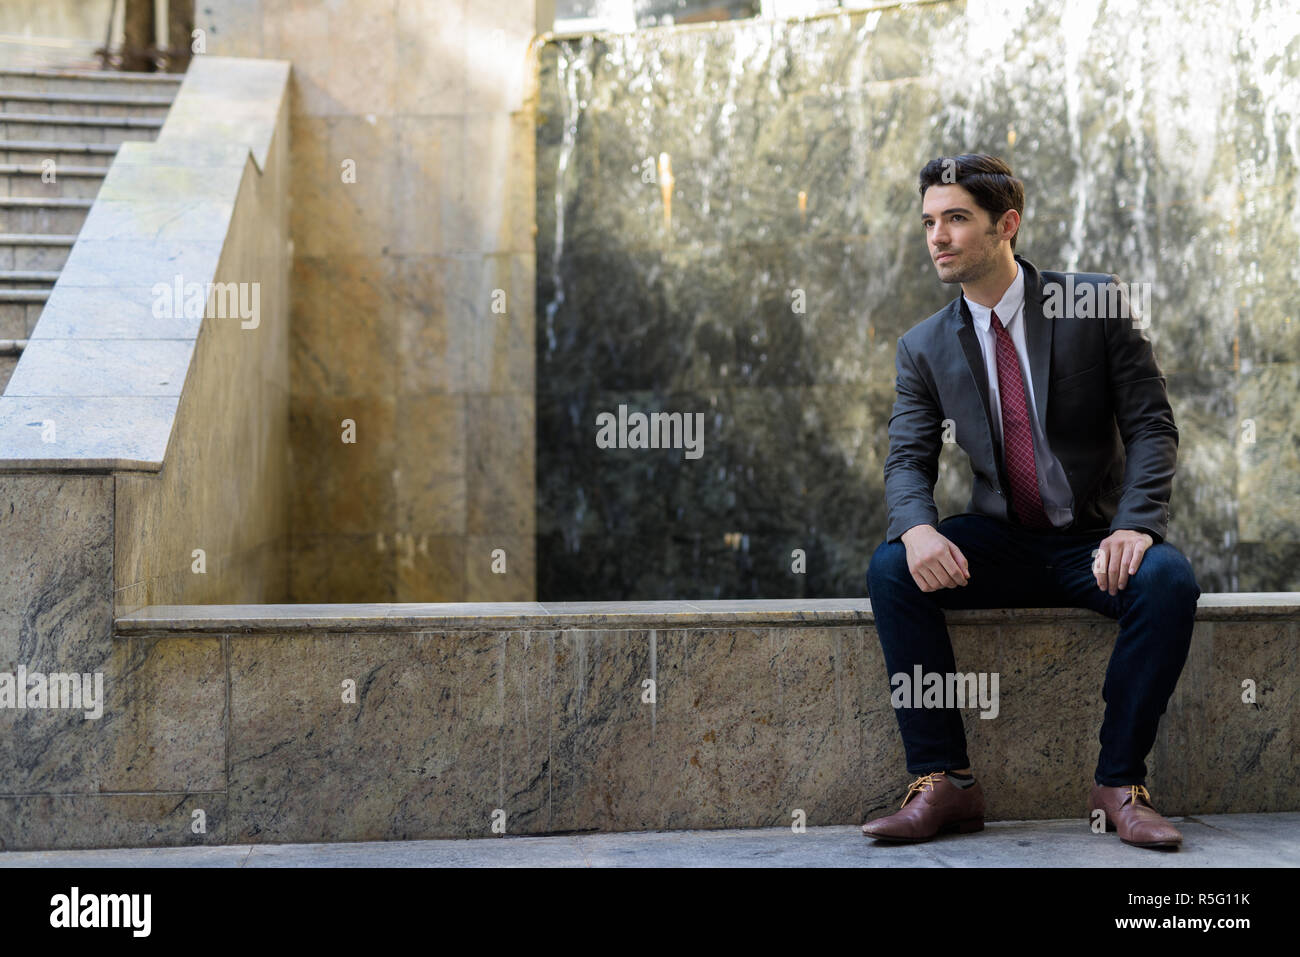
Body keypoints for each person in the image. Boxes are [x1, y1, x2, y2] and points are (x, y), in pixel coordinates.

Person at [862, 153, 1201, 849]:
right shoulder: (923, 346)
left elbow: (1151, 425)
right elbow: (906, 459)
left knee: (1169, 579)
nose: (938, 237)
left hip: (1094, 539)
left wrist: (1136, 525)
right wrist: (918, 528)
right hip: (1003, 538)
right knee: (892, 567)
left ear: (1005, 224)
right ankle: (944, 781)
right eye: (929, 221)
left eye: (956, 219)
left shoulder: (1092, 302)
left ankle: (1119, 784)